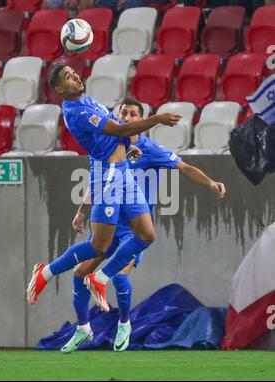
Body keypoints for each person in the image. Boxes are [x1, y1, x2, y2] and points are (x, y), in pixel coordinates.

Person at [60, 98, 227, 353]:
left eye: (133, 114)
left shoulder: (151, 149)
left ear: (141, 120)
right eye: (124, 113)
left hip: (133, 229)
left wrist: (211, 182)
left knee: (120, 273)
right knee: (80, 273)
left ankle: (124, 323)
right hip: (107, 222)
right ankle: (82, 328)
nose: (127, 117)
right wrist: (81, 211)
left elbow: (184, 167)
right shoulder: (108, 143)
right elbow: (99, 182)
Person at [26, 64, 182, 312]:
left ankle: (99, 278)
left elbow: (117, 133)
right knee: (99, 247)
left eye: (73, 71)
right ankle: (46, 271)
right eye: (67, 76)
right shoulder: (77, 112)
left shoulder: (88, 100)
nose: (75, 75)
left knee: (147, 235)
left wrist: (128, 147)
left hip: (123, 172)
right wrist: (158, 119)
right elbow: (120, 129)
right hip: (108, 175)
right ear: (58, 89)